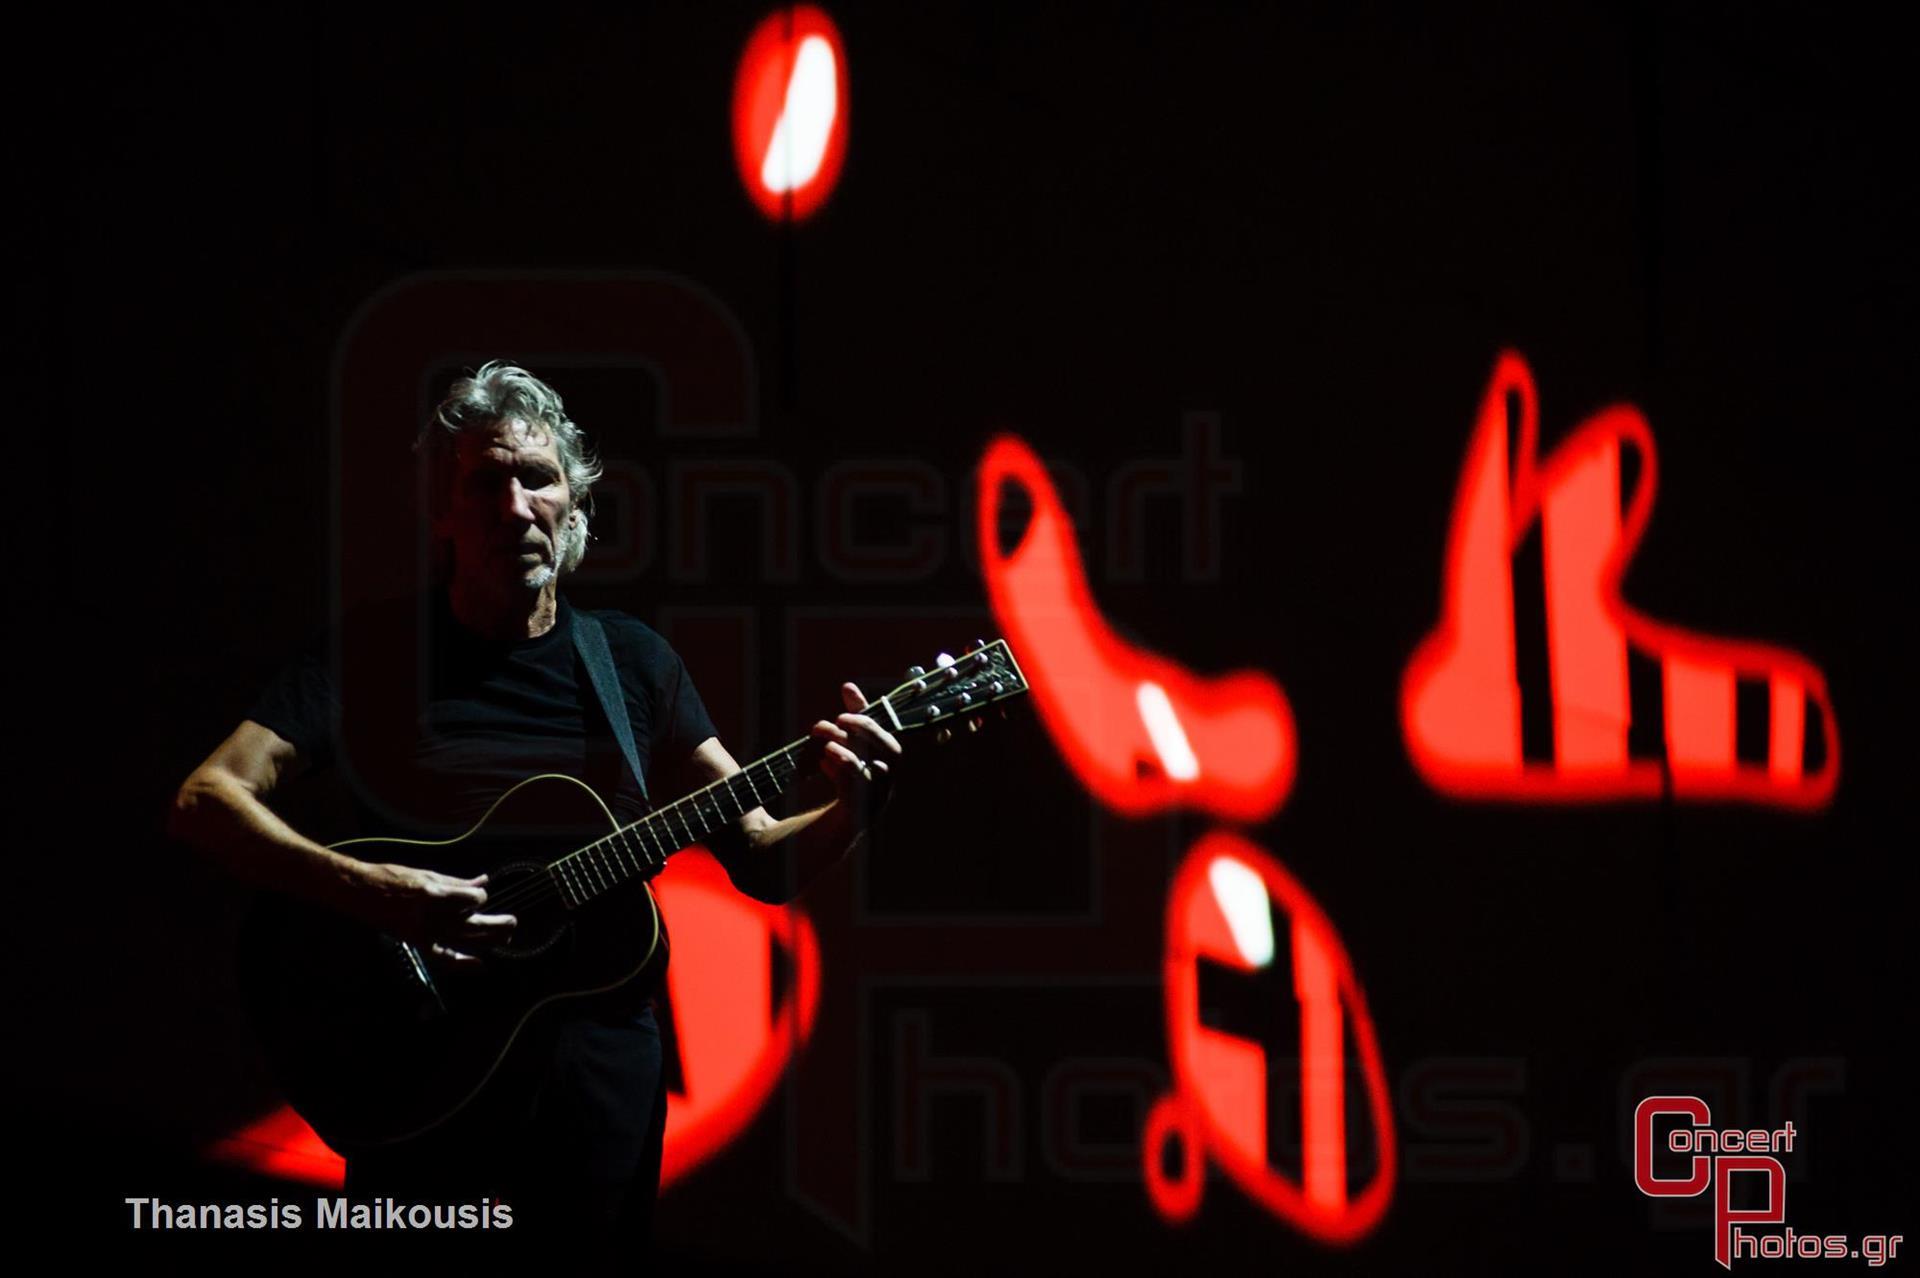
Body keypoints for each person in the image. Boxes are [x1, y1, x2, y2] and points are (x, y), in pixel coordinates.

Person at [168, 361, 901, 1243]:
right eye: (485, 483)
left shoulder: (631, 663)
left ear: (574, 503)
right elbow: (208, 798)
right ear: (442, 511)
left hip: (596, 1101)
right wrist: (377, 893)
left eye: (538, 479)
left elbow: (760, 856)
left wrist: (850, 809)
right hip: (420, 1072)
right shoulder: (373, 655)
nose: (515, 508)